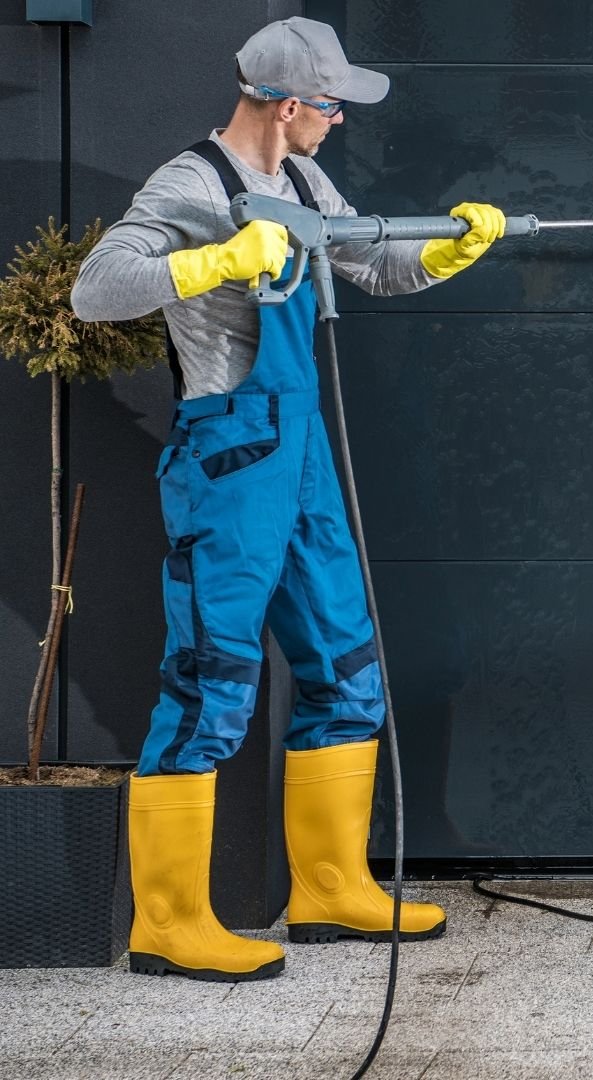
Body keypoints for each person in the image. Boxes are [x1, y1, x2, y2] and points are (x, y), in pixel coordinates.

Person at [70, 16, 505, 983]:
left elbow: (365, 263)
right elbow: (95, 292)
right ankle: (170, 924)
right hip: (228, 458)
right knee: (212, 678)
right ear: (281, 100)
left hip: (300, 455)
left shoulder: (306, 181)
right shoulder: (190, 185)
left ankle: (328, 889)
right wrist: (215, 261)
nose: (339, 118)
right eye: (329, 102)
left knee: (347, 660)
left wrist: (444, 249)